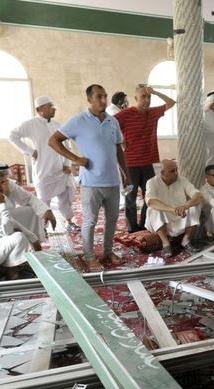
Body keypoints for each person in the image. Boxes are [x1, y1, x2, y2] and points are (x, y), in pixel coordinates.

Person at [48, 84, 131, 271]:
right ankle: (90, 256)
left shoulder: (112, 122)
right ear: (89, 99)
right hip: (91, 182)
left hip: (112, 180)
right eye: (99, 97)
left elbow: (118, 148)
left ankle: (108, 253)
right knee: (90, 221)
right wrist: (76, 159)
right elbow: (53, 141)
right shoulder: (78, 121)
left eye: (105, 96)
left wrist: (126, 174)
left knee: (112, 220)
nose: (103, 100)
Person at [8, 95, 79, 232]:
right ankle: (43, 227)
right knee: (43, 200)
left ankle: (69, 222)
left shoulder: (57, 125)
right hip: (43, 170)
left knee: (65, 198)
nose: (54, 109)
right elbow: (12, 135)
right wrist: (29, 151)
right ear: (41, 108)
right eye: (51, 106)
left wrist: (67, 163)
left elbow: (67, 146)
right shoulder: (30, 124)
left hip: (60, 169)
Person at [115, 84, 176, 233]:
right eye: (143, 96)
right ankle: (132, 229)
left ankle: (144, 225)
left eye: (149, 97)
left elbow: (171, 102)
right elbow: (109, 124)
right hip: (130, 165)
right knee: (130, 199)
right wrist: (119, 139)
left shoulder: (153, 113)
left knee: (150, 197)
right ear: (136, 98)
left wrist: (155, 91)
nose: (147, 100)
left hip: (148, 163)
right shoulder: (126, 114)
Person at [0, 160, 55, 242]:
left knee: (33, 210)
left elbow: (29, 198)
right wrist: (4, 193)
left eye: (5, 174)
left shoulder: (9, 183)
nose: (3, 177)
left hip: (9, 216)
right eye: (0, 175)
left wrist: (46, 210)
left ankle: (34, 241)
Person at [145, 159, 202, 257]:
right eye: (172, 171)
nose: (176, 173)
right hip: (163, 219)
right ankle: (165, 243)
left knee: (196, 205)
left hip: (181, 215)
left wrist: (186, 206)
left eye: (176, 170)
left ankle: (186, 239)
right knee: (153, 209)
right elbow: (150, 202)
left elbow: (198, 195)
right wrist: (173, 209)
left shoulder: (182, 180)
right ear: (163, 173)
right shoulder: (152, 182)